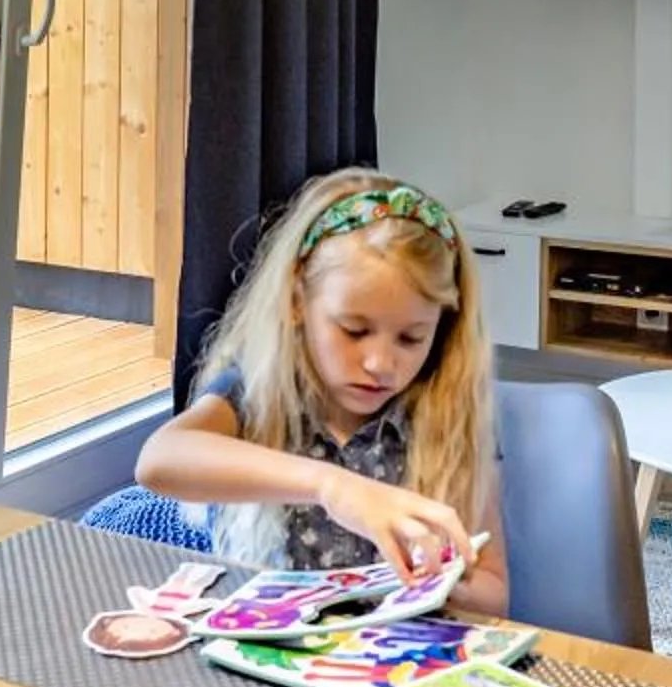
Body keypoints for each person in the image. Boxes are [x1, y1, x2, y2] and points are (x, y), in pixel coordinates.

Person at [135, 169, 509, 615]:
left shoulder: (445, 415)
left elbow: (494, 593)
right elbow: (158, 460)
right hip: (265, 644)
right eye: (354, 330)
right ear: (297, 300)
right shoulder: (258, 389)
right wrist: (332, 487)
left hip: (392, 650)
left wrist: (439, 580)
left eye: (411, 338)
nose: (380, 363)